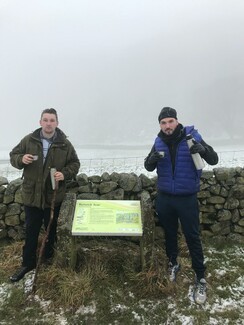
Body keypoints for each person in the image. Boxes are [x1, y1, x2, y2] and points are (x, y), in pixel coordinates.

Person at [144, 107, 218, 304]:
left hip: (187, 198)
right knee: (169, 233)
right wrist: (150, 160)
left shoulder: (192, 136)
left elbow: (214, 159)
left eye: (170, 121)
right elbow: (148, 166)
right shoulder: (158, 140)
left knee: (192, 236)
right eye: (163, 123)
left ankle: (200, 276)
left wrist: (203, 150)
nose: (167, 126)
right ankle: (173, 263)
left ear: (176, 121)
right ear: (160, 125)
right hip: (165, 197)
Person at [9, 108, 80, 282]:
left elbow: (75, 163)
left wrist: (64, 174)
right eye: (45, 120)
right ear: (40, 122)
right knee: (31, 231)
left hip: (53, 197)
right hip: (32, 196)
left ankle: (47, 261)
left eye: (52, 120)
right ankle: (27, 264)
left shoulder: (64, 144)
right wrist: (21, 159)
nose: (49, 123)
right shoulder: (29, 140)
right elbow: (13, 156)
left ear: (57, 123)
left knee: (51, 231)